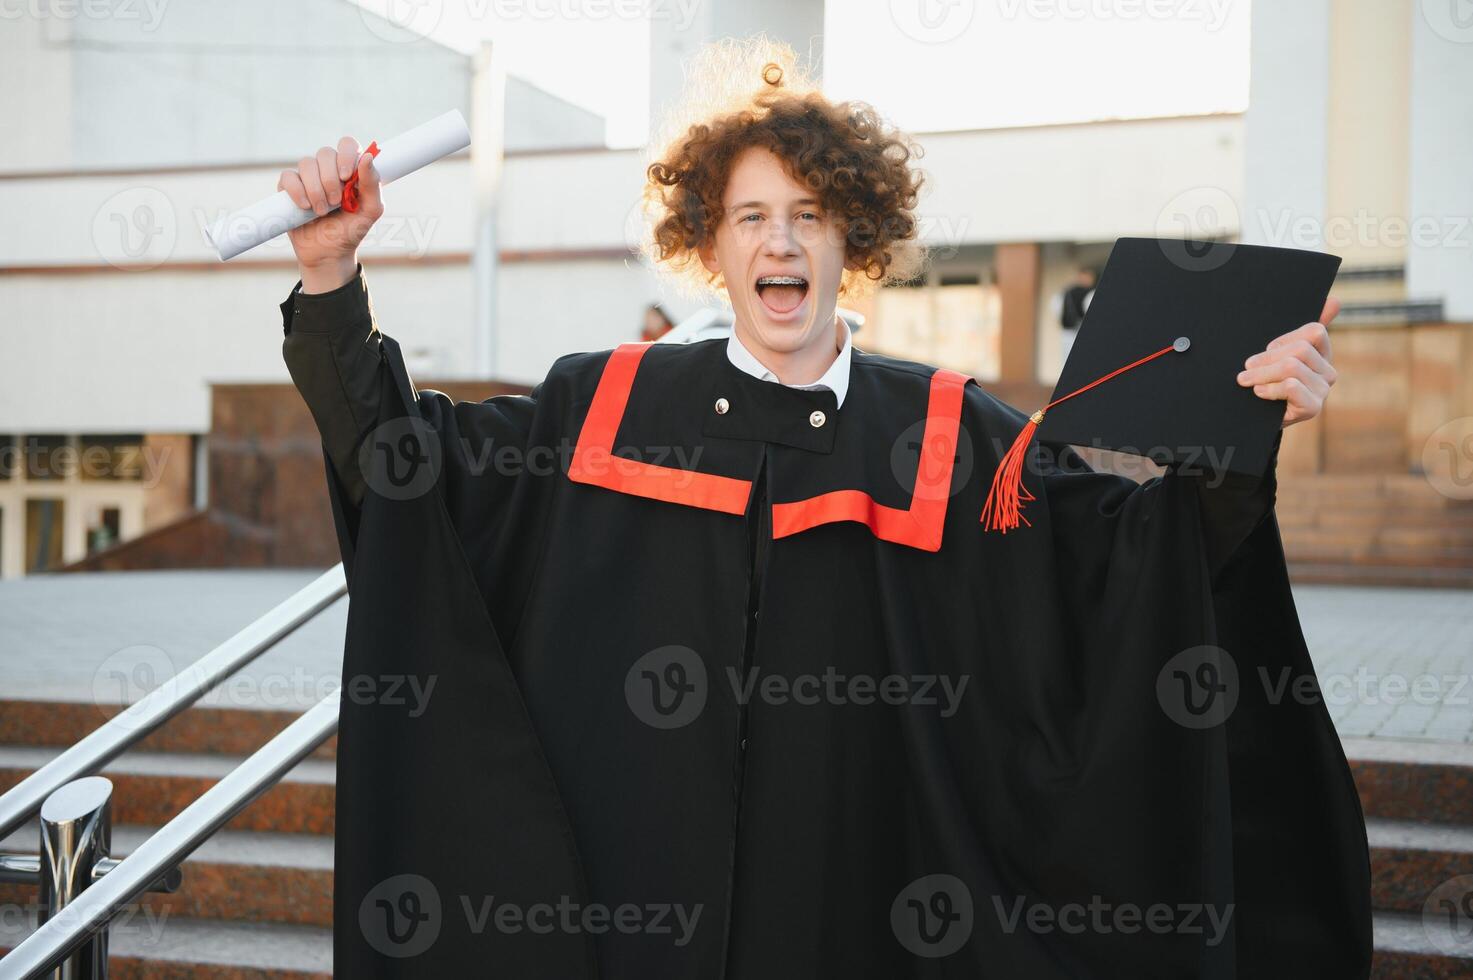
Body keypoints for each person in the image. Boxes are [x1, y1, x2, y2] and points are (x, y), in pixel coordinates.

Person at [276, 39, 1367, 979]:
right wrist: (331, 281)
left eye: (811, 215)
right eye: (751, 216)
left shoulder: (949, 436)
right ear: (713, 246)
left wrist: (1242, 428)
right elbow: (401, 463)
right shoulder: (604, 408)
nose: (782, 242)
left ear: (857, 244)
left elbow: (1131, 567)